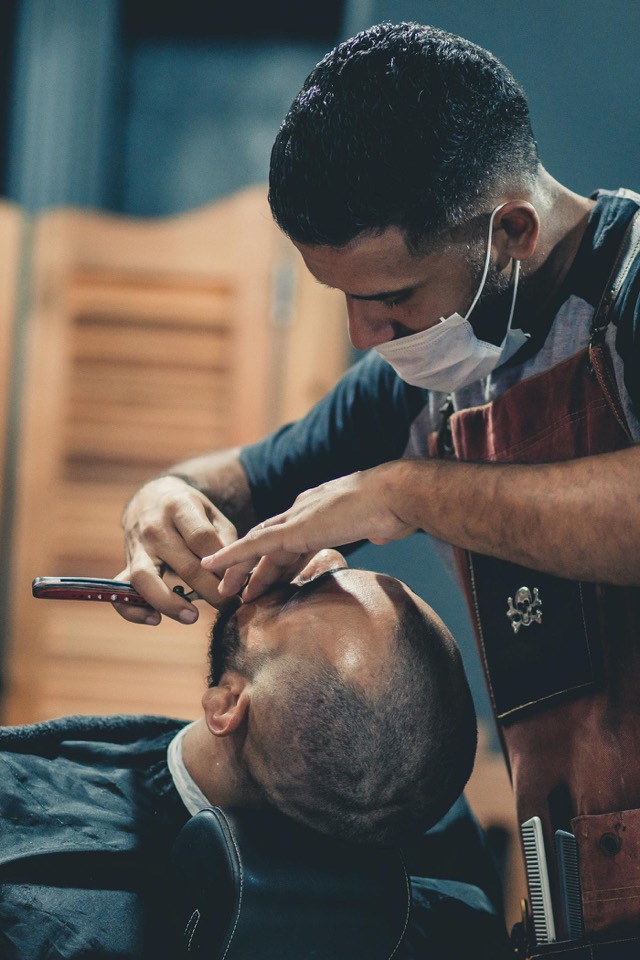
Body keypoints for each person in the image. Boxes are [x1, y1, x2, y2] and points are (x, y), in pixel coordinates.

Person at [115, 22, 640, 956]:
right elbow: (232, 486)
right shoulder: (426, 382)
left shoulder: (630, 293)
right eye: (345, 300)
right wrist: (161, 502)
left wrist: (408, 492)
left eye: (394, 300)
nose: (368, 335)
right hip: (584, 897)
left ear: (509, 232)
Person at [0, 553, 507, 959]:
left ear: (224, 707)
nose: (319, 556)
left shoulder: (39, 896)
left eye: (297, 597)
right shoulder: (436, 855)